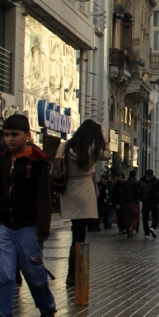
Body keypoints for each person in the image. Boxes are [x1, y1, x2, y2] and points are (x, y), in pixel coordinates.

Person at [0, 114, 57, 317]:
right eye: (6, 135)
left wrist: (43, 230)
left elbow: (44, 198)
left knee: (33, 273)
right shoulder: (1, 159)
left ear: (27, 135)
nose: (9, 139)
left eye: (14, 135)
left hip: (29, 226)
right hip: (6, 226)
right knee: (3, 272)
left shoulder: (38, 162)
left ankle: (47, 307)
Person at [56, 120, 110, 286]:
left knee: (76, 230)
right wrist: (102, 138)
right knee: (80, 235)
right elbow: (107, 155)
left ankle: (71, 273)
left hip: (69, 190)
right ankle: (74, 273)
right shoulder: (92, 148)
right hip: (85, 191)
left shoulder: (64, 146)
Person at [123, 170, 141, 237]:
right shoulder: (136, 183)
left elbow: (123, 193)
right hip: (134, 201)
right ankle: (132, 227)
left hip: (126, 202)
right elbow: (138, 192)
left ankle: (128, 232)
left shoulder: (125, 183)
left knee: (127, 217)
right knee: (136, 216)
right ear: (135, 175)